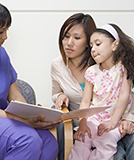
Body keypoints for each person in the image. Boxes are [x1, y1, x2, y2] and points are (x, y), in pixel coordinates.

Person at [0, 0, 60, 160]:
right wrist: (23, 121)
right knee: (27, 139)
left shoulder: (1, 54)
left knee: (48, 141)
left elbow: (14, 95)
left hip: (0, 120)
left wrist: (33, 115)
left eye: (7, 30)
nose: (5, 37)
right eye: (0, 32)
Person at [68, 23, 134, 160]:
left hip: (115, 120)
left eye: (98, 44)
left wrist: (113, 122)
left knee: (106, 142)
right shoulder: (91, 72)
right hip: (94, 118)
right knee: (81, 141)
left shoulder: (123, 69)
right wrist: (82, 124)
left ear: (114, 45)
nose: (93, 49)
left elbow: (124, 95)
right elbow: (85, 101)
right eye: (91, 46)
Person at [51, 13, 96, 160]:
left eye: (76, 38)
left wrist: (129, 119)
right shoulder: (57, 65)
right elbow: (55, 92)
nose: (69, 43)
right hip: (77, 127)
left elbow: (124, 95)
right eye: (66, 36)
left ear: (89, 41)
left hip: (106, 125)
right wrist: (60, 96)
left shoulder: (100, 63)